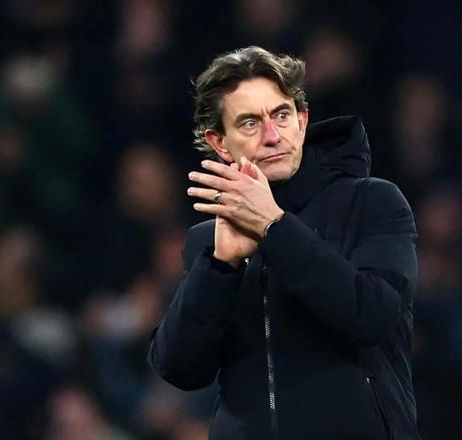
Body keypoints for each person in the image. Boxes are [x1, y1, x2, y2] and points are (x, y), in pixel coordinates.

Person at [147, 46, 421, 440]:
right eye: (249, 123)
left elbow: (373, 315)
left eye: (281, 115)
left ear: (302, 120)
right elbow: (180, 369)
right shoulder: (210, 240)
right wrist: (219, 267)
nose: (273, 136)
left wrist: (274, 227)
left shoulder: (372, 201)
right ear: (219, 142)